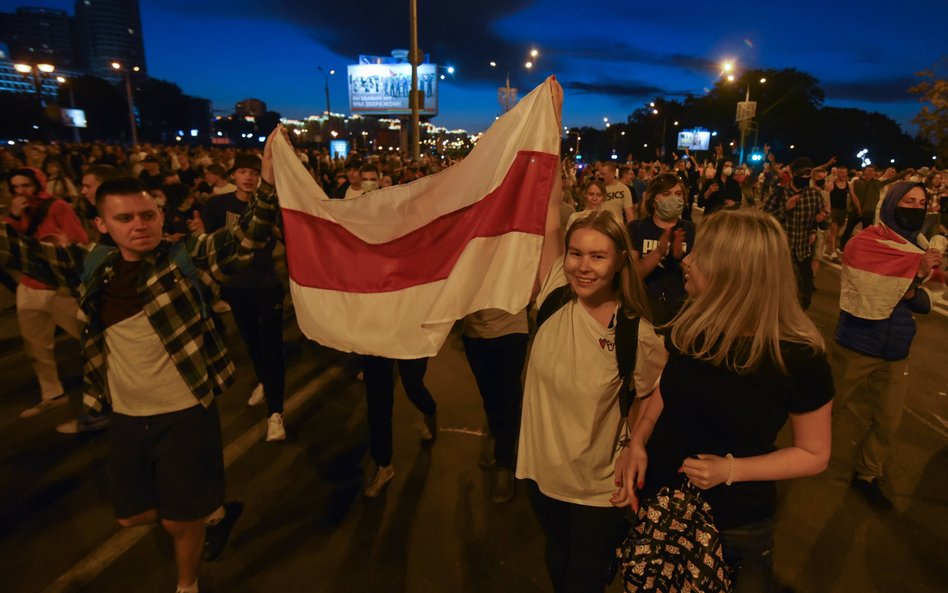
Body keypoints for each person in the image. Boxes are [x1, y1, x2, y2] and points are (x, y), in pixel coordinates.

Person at [0, 127, 286, 593]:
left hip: (186, 411)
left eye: (148, 214)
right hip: (127, 416)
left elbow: (248, 237)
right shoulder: (91, 266)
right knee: (132, 515)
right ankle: (207, 511)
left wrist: (270, 185)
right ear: (102, 225)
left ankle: (187, 583)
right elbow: (19, 251)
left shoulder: (185, 257)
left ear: (159, 215)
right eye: (126, 217)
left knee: (177, 521)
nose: (140, 224)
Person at [616, 208, 833, 593]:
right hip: (663, 503)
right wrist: (638, 441)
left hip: (734, 525)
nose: (686, 258)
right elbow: (667, 389)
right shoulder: (692, 325)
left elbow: (814, 454)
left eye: (701, 253)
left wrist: (731, 470)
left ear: (736, 270)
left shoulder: (798, 357)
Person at [516, 209, 667, 593]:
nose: (582, 267)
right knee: (557, 554)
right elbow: (549, 219)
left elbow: (654, 394)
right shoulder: (553, 294)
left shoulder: (637, 333)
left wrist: (635, 445)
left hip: (597, 487)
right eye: (575, 253)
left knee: (584, 577)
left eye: (598, 256)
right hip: (541, 474)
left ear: (619, 262)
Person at [834, 182, 941, 510]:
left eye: (921, 202)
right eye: (908, 200)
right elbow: (864, 289)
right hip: (857, 343)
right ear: (893, 203)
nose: (915, 207)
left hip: (896, 348)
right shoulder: (866, 243)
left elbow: (922, 303)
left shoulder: (918, 247)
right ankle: (786, 455)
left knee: (888, 420)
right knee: (825, 407)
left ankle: (867, 474)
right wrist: (914, 277)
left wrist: (912, 285)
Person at [199, 153, 287, 442]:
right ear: (233, 175)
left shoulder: (272, 203)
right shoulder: (217, 205)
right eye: (243, 172)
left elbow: (289, 236)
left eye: (254, 172)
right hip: (237, 286)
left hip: (268, 283)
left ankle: (275, 412)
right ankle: (264, 380)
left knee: (272, 345)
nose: (248, 177)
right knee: (251, 341)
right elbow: (211, 243)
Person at [5, 167, 88, 418]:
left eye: (26, 185)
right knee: (36, 346)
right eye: (16, 187)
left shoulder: (57, 207)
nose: (21, 191)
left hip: (57, 287)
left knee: (87, 337)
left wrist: (59, 242)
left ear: (37, 184)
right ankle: (52, 394)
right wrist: (13, 216)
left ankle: (113, 387)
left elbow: (79, 238)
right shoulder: (17, 211)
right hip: (28, 287)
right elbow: (8, 245)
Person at [627, 173, 695, 326]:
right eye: (666, 194)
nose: (674, 198)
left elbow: (698, 278)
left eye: (678, 194)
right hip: (643, 309)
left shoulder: (691, 230)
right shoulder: (636, 229)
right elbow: (633, 275)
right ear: (653, 199)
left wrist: (679, 259)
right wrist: (658, 252)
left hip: (679, 312)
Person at [763, 157, 829, 310]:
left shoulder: (815, 195)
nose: (805, 178)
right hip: (780, 251)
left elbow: (824, 223)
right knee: (775, 293)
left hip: (803, 251)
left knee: (804, 296)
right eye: (802, 174)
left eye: (808, 174)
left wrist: (820, 221)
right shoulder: (779, 193)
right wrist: (785, 210)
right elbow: (765, 219)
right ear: (792, 173)